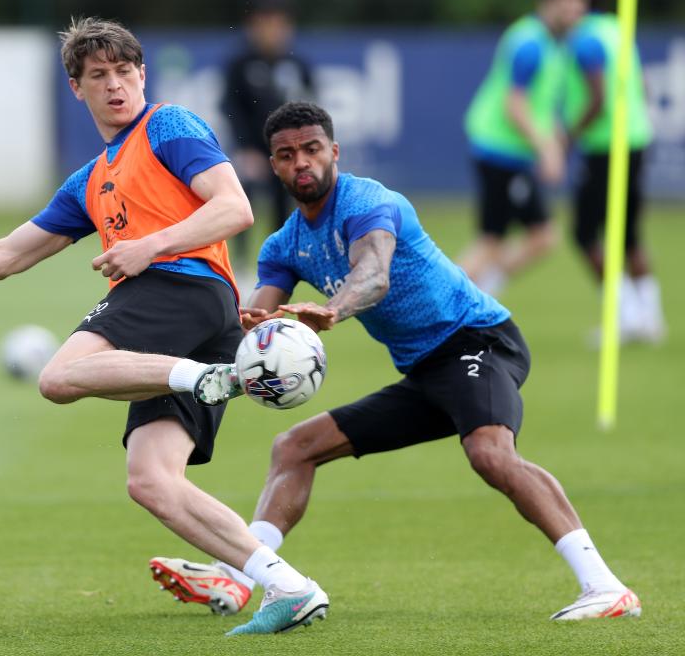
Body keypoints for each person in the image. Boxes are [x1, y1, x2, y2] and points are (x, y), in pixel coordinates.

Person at [0, 18, 327, 637]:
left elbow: (234, 206)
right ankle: (289, 587)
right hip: (187, 315)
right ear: (76, 88)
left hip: (180, 289)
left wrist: (148, 247)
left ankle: (211, 377)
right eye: (98, 76)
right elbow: (4, 257)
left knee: (58, 377)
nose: (115, 86)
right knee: (152, 482)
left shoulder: (168, 126)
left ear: (142, 74)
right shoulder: (90, 180)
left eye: (124, 71)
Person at [154, 101, 641, 622]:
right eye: (287, 154)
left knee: (490, 453)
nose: (302, 163)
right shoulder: (284, 245)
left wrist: (332, 310)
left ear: (334, 152)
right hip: (428, 373)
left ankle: (605, 586)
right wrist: (221, 364)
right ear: (273, 165)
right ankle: (241, 577)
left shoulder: (367, 201)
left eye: (313, 150)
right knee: (295, 448)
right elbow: (254, 322)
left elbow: (375, 273)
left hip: (477, 341)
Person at [459, 0, 590, 295]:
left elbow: (540, 104)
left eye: (579, 2)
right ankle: (443, 300)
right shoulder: (530, 43)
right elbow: (514, 105)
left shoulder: (554, 44)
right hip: (499, 150)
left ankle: (480, 290)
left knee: (541, 237)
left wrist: (554, 139)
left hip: (513, 153)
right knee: (492, 241)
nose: (574, 9)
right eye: (566, 1)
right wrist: (547, 148)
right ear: (546, 2)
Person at [563, 0, 667, 343]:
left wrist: (567, 136)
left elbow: (598, 98)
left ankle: (627, 315)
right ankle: (649, 318)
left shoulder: (587, 38)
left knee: (584, 232)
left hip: (607, 145)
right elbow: (640, 82)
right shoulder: (615, 29)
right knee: (628, 235)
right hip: (636, 137)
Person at [222, 0, 315, 273]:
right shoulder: (240, 64)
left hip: (288, 149)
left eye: (279, 24)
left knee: (285, 200)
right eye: (266, 23)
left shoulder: (297, 64)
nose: (272, 31)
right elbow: (231, 107)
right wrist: (244, 150)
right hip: (252, 149)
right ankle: (238, 264)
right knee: (241, 194)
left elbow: (310, 107)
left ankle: (280, 263)